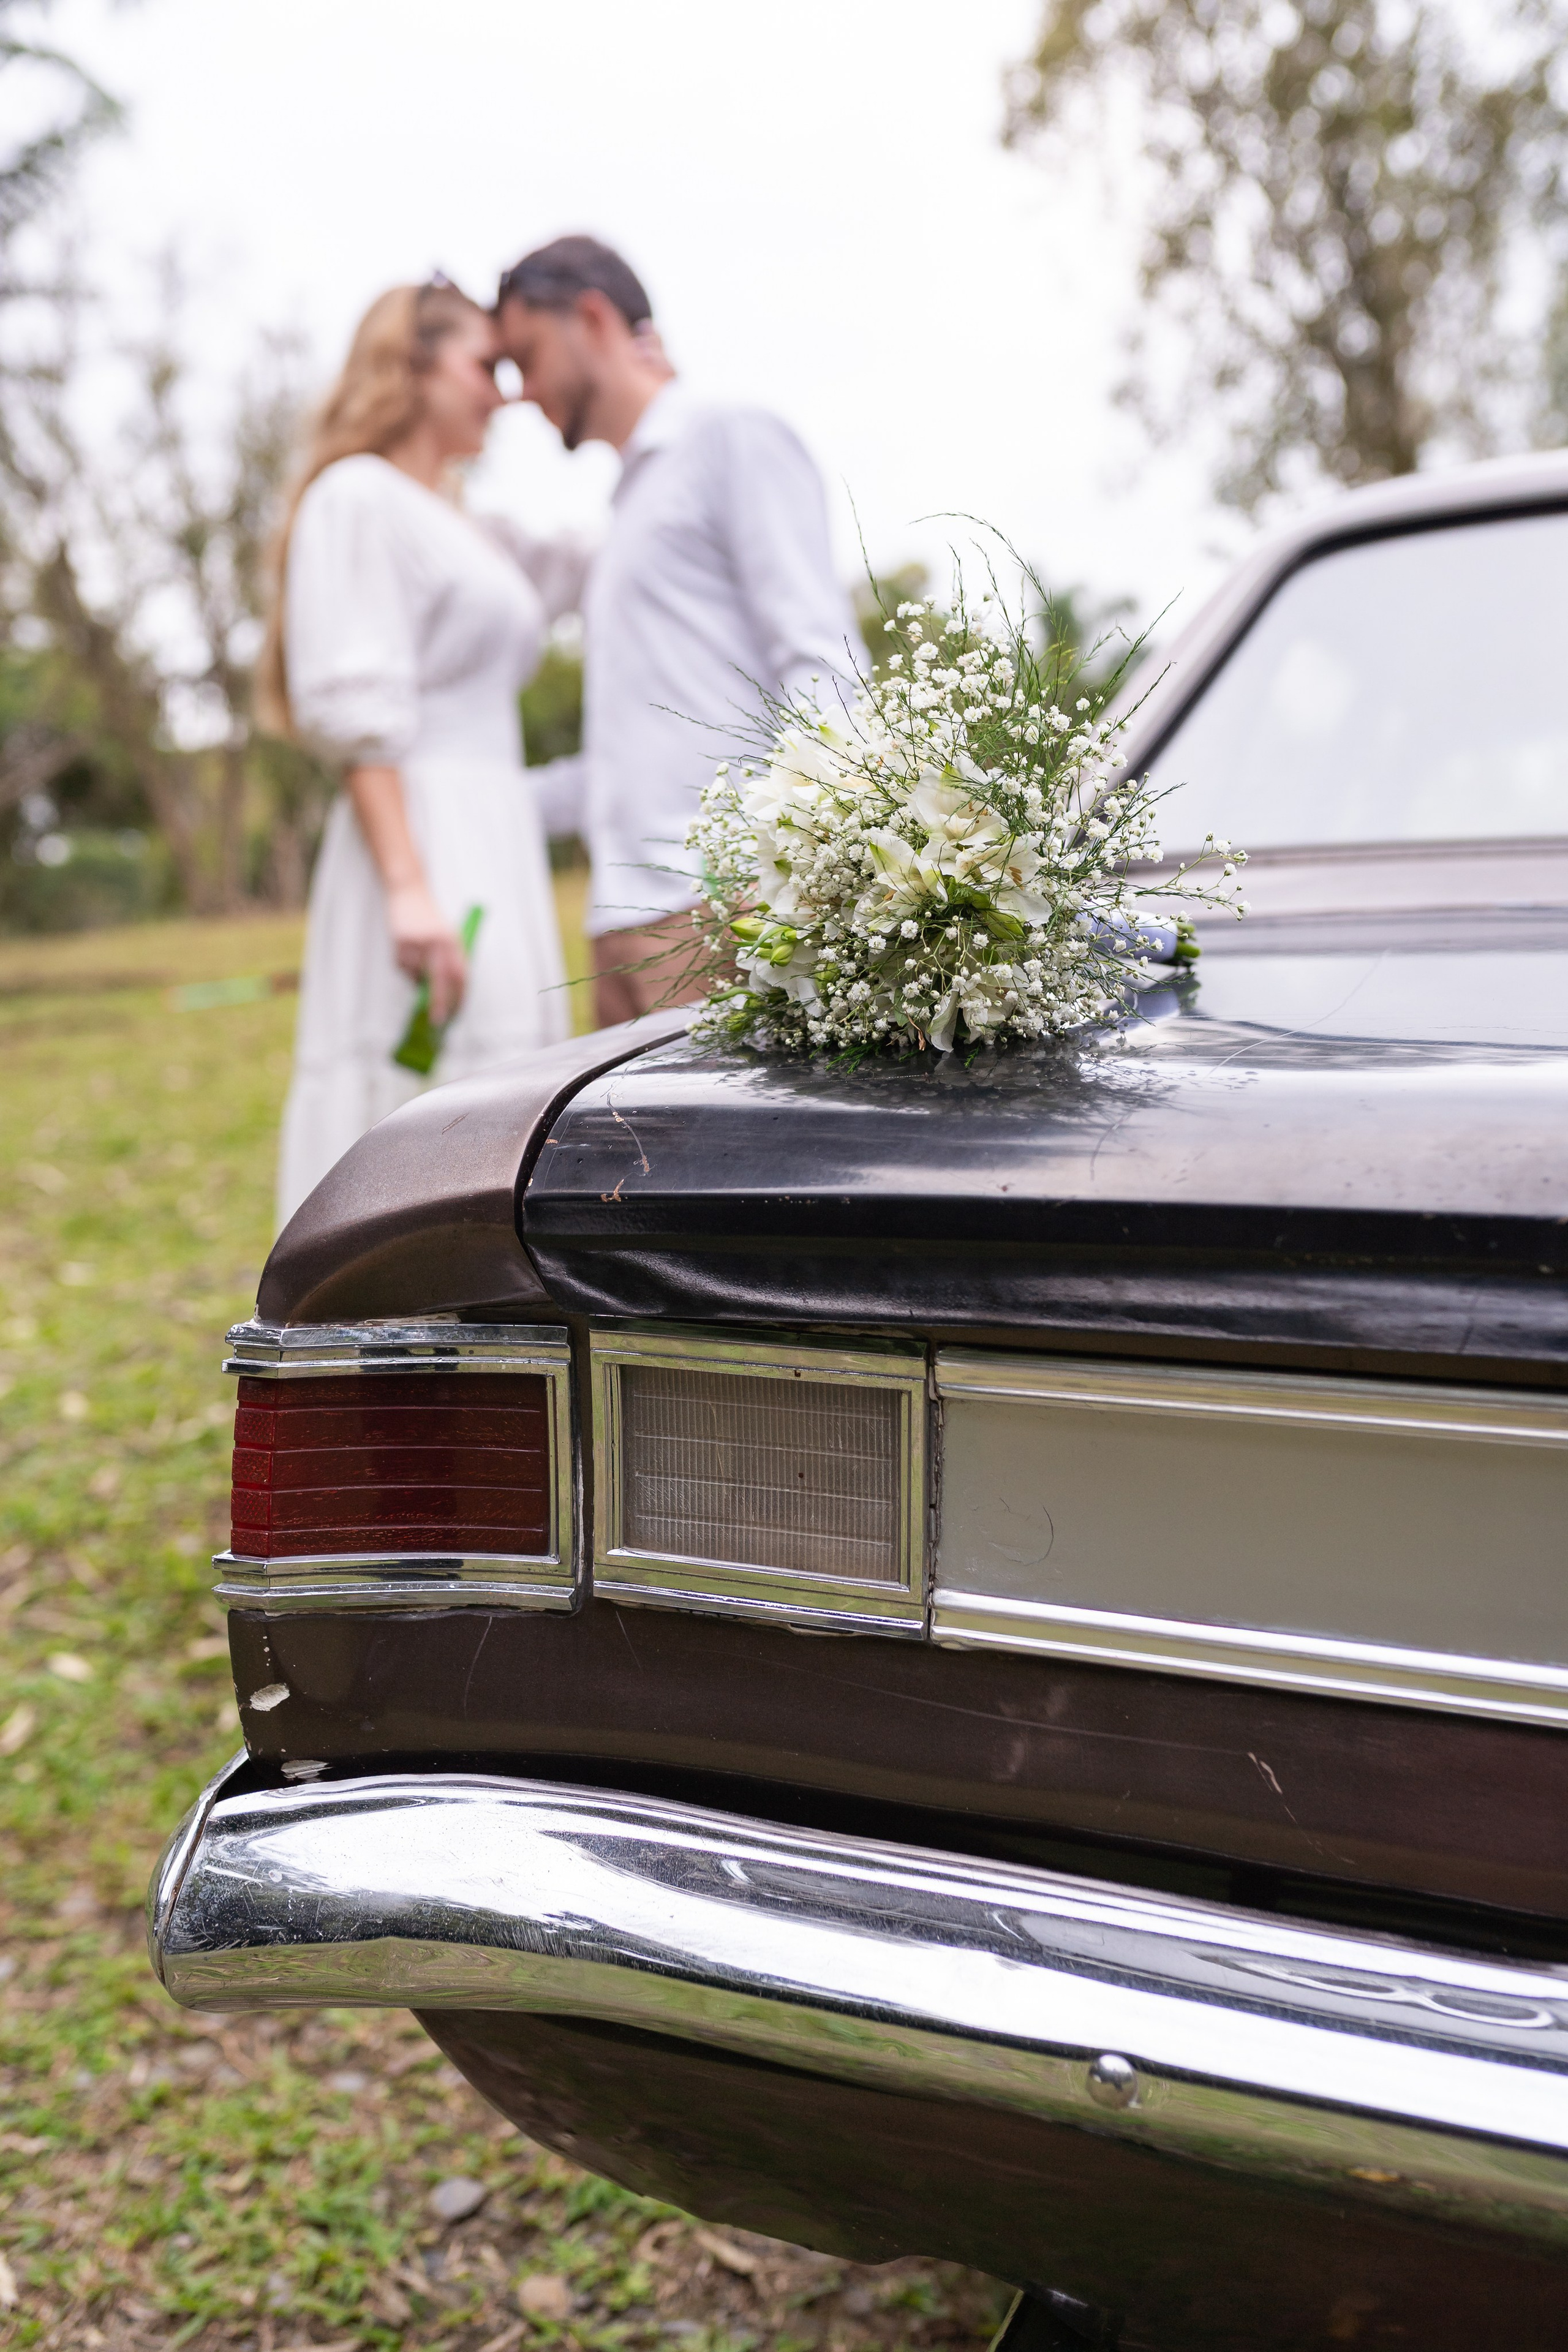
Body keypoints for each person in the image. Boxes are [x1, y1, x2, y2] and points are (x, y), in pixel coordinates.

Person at [258, 279, 582, 1228]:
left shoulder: (466, 523)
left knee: (500, 1082)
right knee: (418, 1085)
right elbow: (364, 707)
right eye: (486, 366)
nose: (505, 392)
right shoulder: (357, 498)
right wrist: (407, 886)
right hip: (424, 833)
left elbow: (595, 562)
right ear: (412, 365)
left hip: (495, 832)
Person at [494, 236, 861, 1025]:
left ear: (590, 317)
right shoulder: (629, 507)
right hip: (618, 925)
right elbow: (635, 755)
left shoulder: (730, 435)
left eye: (526, 356)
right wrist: (469, 796)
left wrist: (786, 888)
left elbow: (822, 660)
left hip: (718, 913)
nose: (523, 391)